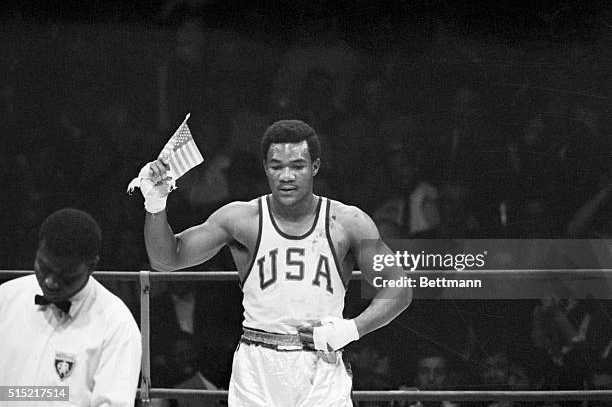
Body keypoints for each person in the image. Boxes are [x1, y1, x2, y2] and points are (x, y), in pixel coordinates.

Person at [139, 119, 413, 406]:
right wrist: (156, 203)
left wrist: (351, 329)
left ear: (315, 167)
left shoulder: (348, 222)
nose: (286, 176)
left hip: (320, 369)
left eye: (297, 166)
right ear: (265, 168)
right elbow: (166, 260)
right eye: (276, 166)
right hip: (257, 370)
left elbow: (400, 287)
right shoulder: (241, 219)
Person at [0, 208, 142, 407]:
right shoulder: (6, 299)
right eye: (44, 267)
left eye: (64, 275)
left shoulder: (116, 324)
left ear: (91, 266)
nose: (50, 282)